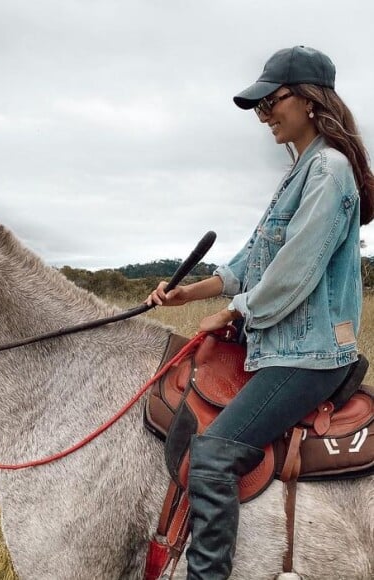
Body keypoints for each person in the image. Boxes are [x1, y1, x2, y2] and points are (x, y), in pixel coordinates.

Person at [146, 45, 374, 579]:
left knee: (214, 455)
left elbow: (294, 271)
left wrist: (231, 313)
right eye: (258, 106)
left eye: (271, 101)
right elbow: (253, 257)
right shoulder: (300, 170)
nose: (264, 114)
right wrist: (190, 293)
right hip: (284, 346)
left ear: (310, 100)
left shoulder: (329, 172)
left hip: (311, 354)